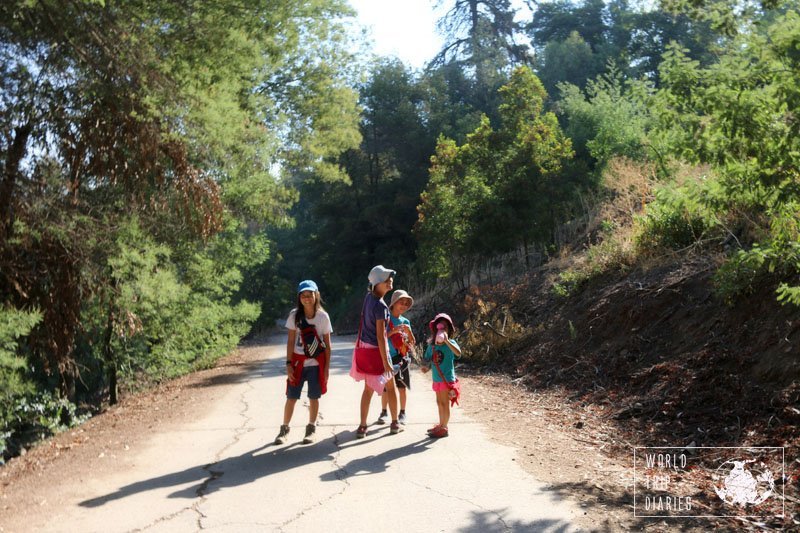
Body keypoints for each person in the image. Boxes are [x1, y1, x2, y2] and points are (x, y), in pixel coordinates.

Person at [274, 280, 332, 445]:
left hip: (315, 364)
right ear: (299, 297)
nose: (307, 298)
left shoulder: (323, 317)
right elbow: (290, 341)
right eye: (303, 295)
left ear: (316, 295)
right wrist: (288, 364)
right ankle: (284, 429)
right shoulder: (294, 315)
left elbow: (328, 345)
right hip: (298, 363)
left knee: (314, 397)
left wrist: (326, 368)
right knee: (291, 397)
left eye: (310, 294)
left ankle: (311, 428)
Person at [349, 265, 403, 438]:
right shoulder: (381, 306)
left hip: (365, 349)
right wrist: (387, 362)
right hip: (378, 351)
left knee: (368, 389)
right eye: (386, 280)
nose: (389, 281)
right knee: (391, 386)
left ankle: (362, 426)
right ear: (377, 284)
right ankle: (395, 423)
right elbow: (381, 337)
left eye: (390, 278)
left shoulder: (368, 298)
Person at [376, 289, 416, 425]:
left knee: (402, 387)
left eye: (406, 303)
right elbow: (381, 337)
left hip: (402, 357)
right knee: (386, 387)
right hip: (387, 358)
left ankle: (402, 413)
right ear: (393, 303)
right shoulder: (385, 319)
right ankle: (384, 412)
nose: (404, 306)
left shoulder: (406, 321)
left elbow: (412, 342)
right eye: (401, 302)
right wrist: (394, 331)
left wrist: (408, 332)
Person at [422, 312, 461, 439]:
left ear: (449, 330)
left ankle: (444, 427)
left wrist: (447, 341)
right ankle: (441, 424)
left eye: (445, 327)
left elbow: (458, 353)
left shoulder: (451, 343)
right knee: (439, 402)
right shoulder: (432, 346)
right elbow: (428, 360)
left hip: (446, 379)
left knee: (445, 403)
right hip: (436, 379)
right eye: (440, 327)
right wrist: (425, 368)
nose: (442, 330)